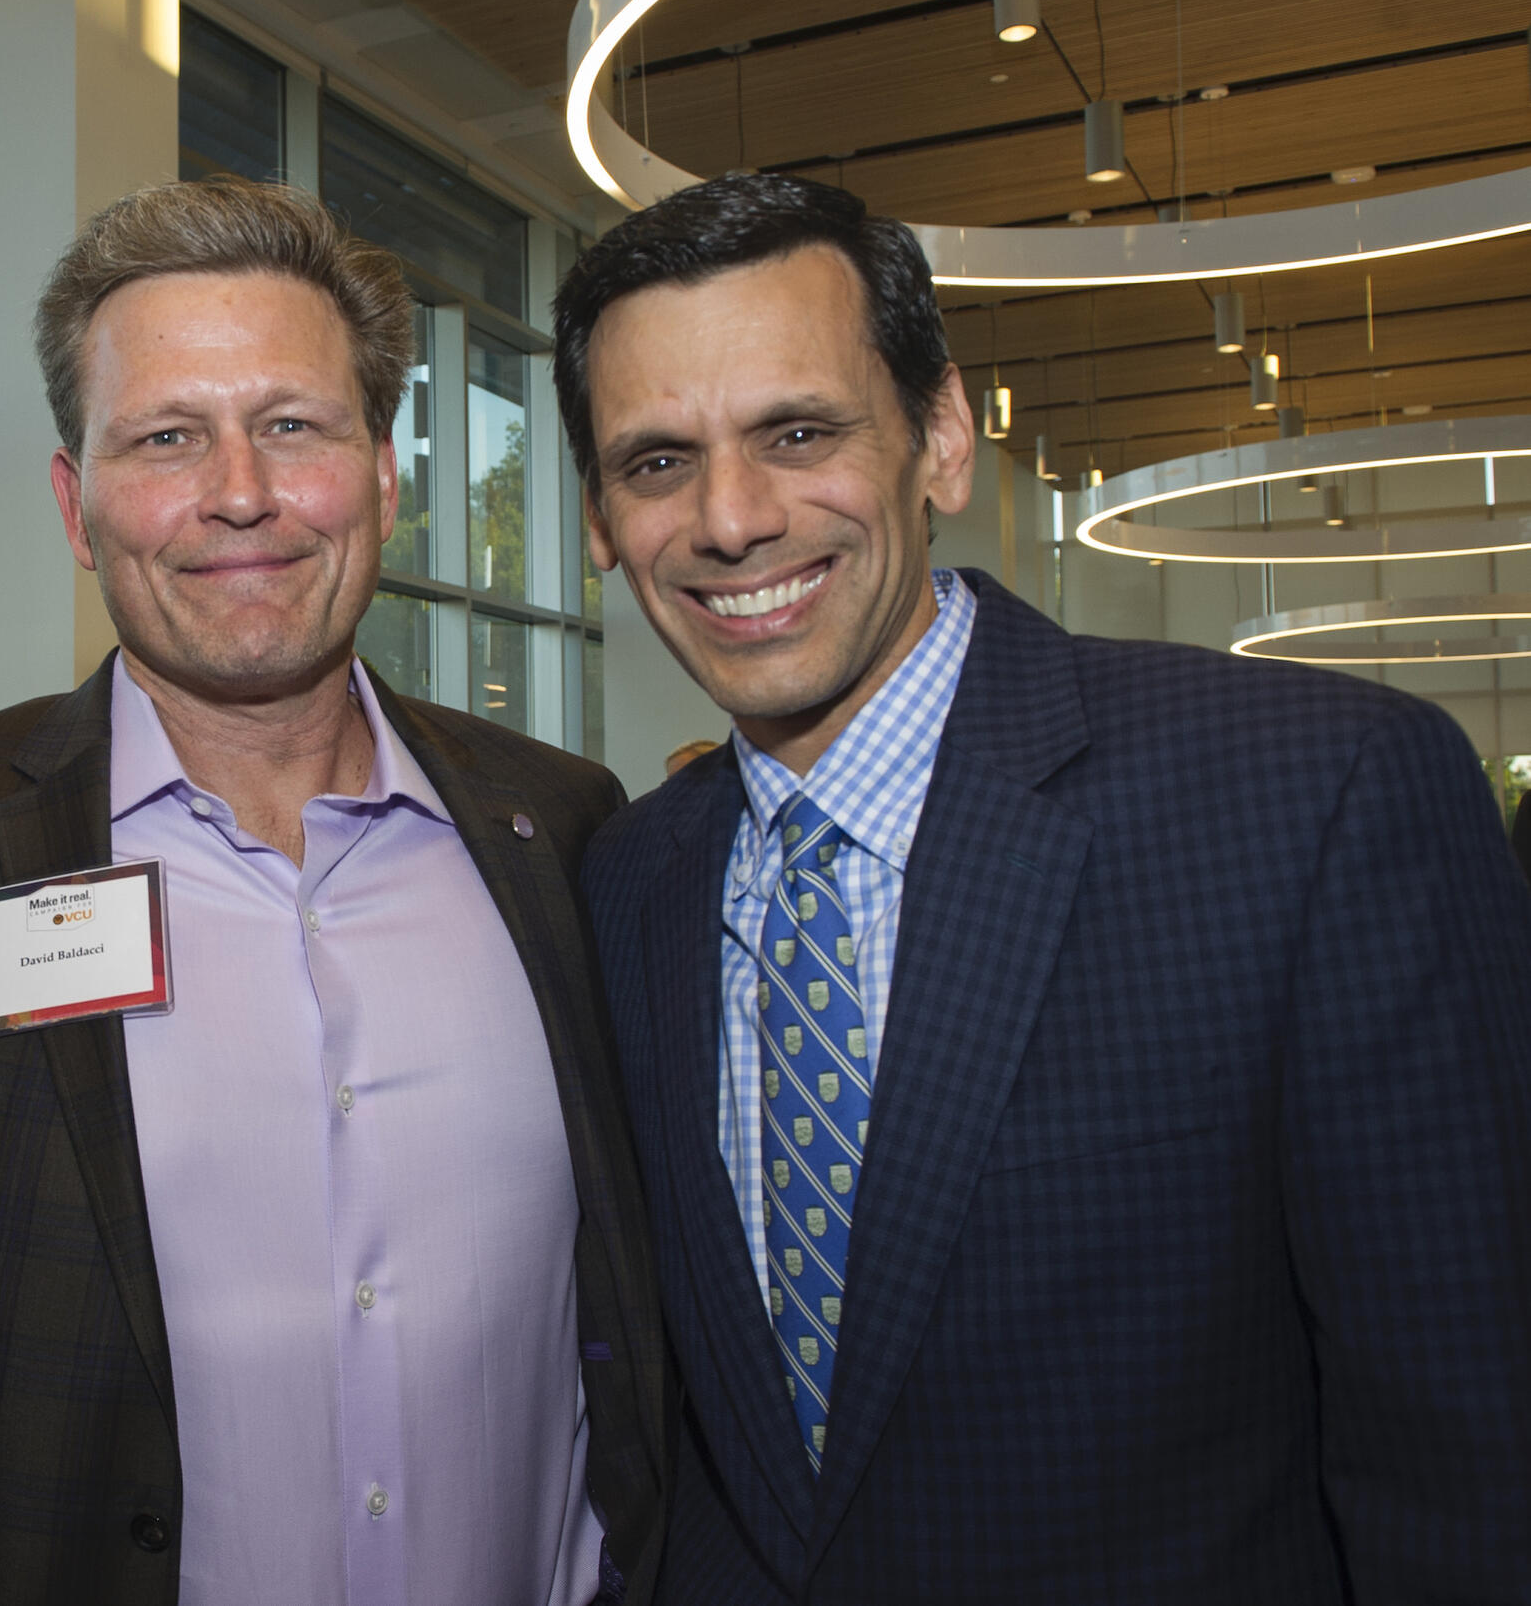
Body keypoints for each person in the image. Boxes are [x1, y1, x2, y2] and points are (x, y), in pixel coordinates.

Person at [554, 171, 1531, 1603]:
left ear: (941, 438)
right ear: (597, 514)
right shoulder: (628, 879)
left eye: (800, 430)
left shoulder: (1318, 797)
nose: (732, 517)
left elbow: (1472, 1460)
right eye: (656, 462)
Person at [0, 177, 669, 1606]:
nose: (240, 493)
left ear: (383, 476)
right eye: (165, 437)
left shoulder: (565, 833)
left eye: (292, 424)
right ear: (77, 505)